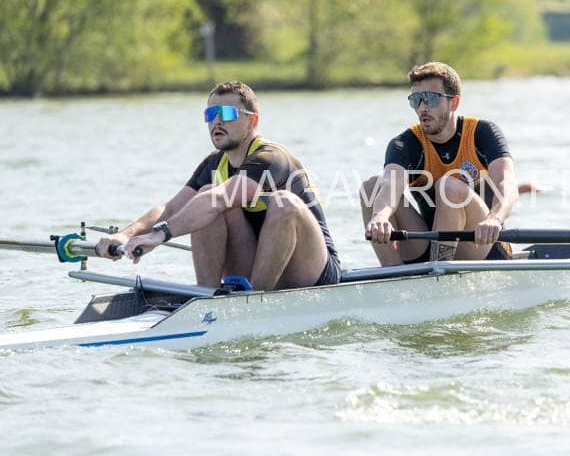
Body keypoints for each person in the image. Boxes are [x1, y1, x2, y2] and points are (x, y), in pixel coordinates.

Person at [98, 81, 340, 290]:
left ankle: (256, 301)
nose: (216, 121)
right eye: (210, 114)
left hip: (311, 270)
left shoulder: (271, 158)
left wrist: (160, 235)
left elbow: (221, 197)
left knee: (281, 203)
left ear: (252, 121)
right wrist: (125, 235)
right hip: (257, 266)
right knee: (205, 195)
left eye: (226, 113)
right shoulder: (214, 164)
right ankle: (208, 296)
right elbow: (170, 209)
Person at [361, 61, 518, 265]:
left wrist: (494, 219)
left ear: (454, 102)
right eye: (416, 100)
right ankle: (392, 274)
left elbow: (507, 183)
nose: (422, 108)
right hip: (428, 243)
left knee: (448, 186)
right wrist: (380, 216)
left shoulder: (482, 133)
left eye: (430, 99)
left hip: (483, 244)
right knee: (371, 188)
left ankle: (439, 271)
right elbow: (391, 183)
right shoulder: (405, 144)